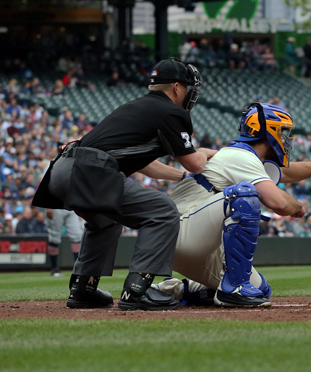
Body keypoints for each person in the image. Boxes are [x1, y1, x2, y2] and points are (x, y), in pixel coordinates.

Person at [33, 59, 214, 311]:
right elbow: (195, 163)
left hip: (63, 169)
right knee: (162, 211)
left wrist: (180, 178)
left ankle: (83, 289)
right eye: (189, 88)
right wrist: (205, 152)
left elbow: (141, 163)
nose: (191, 94)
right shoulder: (172, 112)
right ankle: (138, 290)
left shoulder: (139, 106)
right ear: (176, 87)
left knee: (105, 221)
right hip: (90, 171)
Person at [153, 104, 311, 307]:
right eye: (282, 131)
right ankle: (234, 289)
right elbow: (278, 203)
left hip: (192, 242)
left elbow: (284, 173)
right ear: (266, 132)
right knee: (245, 195)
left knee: (260, 289)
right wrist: (297, 206)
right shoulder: (240, 157)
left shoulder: (239, 157)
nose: (286, 138)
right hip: (180, 232)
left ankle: (171, 290)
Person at [45, 209, 84, 277]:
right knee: (54, 237)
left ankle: (78, 269)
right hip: (56, 206)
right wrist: (48, 207)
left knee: (77, 236)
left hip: (71, 207)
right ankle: (54, 268)